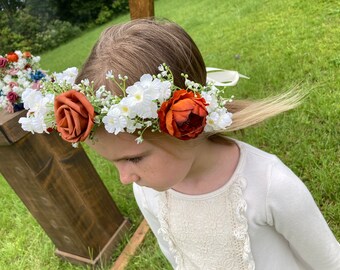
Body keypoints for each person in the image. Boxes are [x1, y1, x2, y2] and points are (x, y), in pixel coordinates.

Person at [20, 18, 340, 269]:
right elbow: (175, 253)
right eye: (113, 163)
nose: (125, 177)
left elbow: (328, 260)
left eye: (133, 159)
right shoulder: (148, 188)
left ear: (187, 124)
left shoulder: (271, 185)